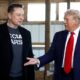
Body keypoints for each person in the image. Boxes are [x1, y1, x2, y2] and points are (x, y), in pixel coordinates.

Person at [24, 9, 80, 80]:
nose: (64, 22)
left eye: (66, 19)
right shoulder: (59, 35)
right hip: (60, 75)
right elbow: (51, 54)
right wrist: (38, 60)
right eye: (64, 19)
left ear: (75, 21)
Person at [0, 3, 35, 80]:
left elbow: (30, 55)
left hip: (22, 76)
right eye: (18, 15)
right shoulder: (1, 31)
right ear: (9, 15)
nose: (21, 18)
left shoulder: (26, 33)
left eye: (23, 15)